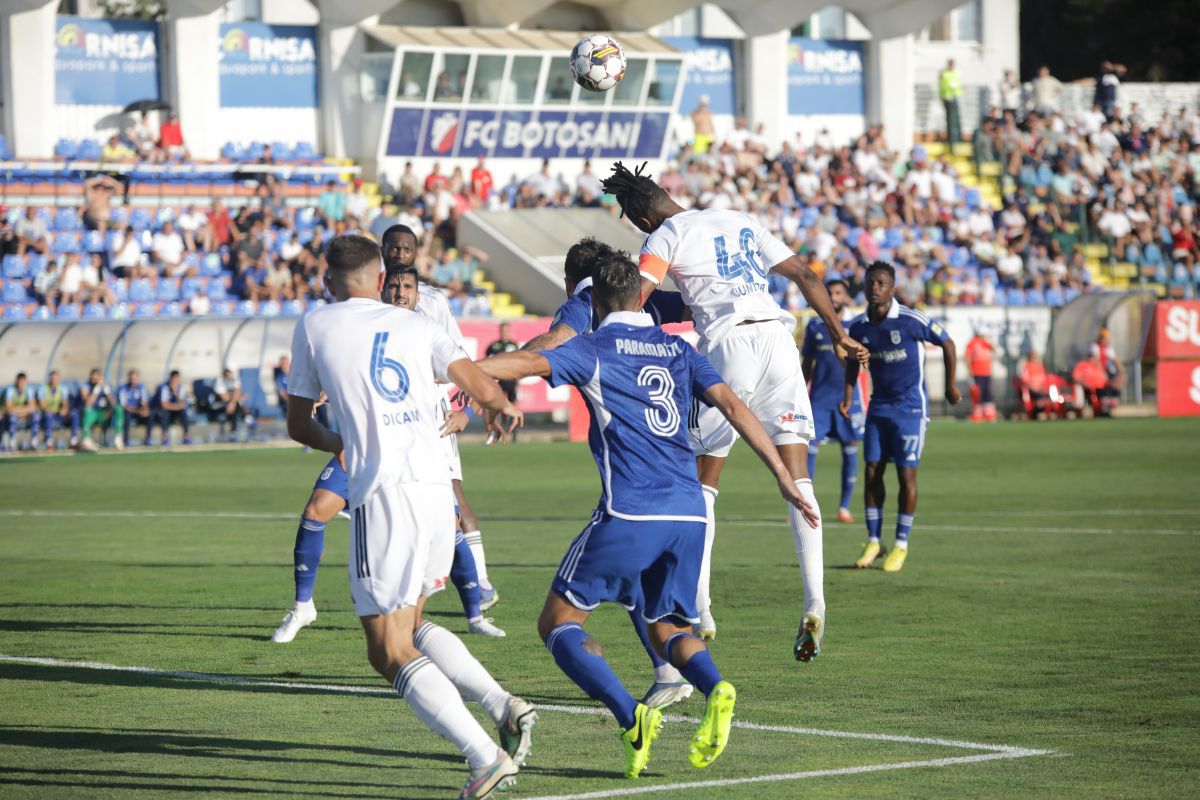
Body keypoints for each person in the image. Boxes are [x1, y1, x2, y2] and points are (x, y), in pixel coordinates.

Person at [478, 251, 815, 778]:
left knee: (558, 623)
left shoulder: (592, 347)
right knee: (664, 623)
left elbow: (524, 363)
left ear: (592, 302)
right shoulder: (679, 350)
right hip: (690, 513)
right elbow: (733, 405)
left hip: (630, 511)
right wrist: (782, 473)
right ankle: (714, 685)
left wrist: (456, 372)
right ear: (642, 296)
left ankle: (629, 715)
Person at [284, 234, 535, 799]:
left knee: (387, 647)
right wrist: (500, 406)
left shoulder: (315, 324)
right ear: (379, 281)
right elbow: (470, 375)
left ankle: (484, 757)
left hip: (386, 492)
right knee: (414, 623)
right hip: (434, 492)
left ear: (329, 282)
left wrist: (338, 442)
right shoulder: (419, 323)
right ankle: (503, 704)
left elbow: (300, 426)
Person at [601, 161, 869, 659]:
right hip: (778, 338)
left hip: (729, 346)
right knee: (798, 475)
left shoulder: (665, 236)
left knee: (702, 480)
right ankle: (816, 601)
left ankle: (701, 612)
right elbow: (806, 274)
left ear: (640, 219)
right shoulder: (739, 218)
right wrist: (839, 335)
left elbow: (638, 296)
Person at [520, 236, 699, 710]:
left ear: (572, 281)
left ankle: (647, 692)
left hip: (634, 470)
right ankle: (674, 672)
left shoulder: (583, 301)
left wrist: (491, 372)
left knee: (566, 612)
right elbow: (689, 302)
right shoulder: (644, 294)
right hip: (678, 439)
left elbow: (556, 343)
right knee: (642, 577)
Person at [383, 225, 502, 618]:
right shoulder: (370, 299)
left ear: (417, 254)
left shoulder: (431, 301)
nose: (400, 252)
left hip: (432, 413)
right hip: (386, 415)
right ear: (382, 250)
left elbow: (460, 359)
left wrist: (465, 409)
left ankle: (480, 583)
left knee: (451, 492)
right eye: (394, 246)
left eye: (407, 248)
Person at [842, 262, 961, 573]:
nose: (875, 288)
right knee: (872, 472)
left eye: (881, 283)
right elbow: (853, 361)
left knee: (906, 476)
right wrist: (847, 395)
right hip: (878, 407)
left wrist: (950, 386)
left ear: (892, 289)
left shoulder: (910, 320)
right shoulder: (859, 327)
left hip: (910, 410)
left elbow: (947, 342)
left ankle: (901, 544)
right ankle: (873, 540)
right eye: (870, 282)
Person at [801, 279, 865, 524]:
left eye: (838, 293)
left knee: (850, 451)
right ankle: (805, 505)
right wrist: (800, 392)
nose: (834, 297)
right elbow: (807, 363)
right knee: (807, 451)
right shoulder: (815, 326)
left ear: (847, 297)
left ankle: (844, 507)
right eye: (830, 293)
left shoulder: (856, 325)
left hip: (849, 399)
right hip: (819, 399)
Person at [79, 368, 120, 450]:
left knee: (118, 409)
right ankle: (85, 439)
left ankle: (118, 436)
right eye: (93, 377)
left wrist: (106, 390)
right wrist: (96, 389)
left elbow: (113, 403)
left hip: (104, 414)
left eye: (97, 378)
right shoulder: (85, 386)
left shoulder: (107, 386)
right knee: (87, 411)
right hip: (92, 413)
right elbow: (88, 404)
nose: (95, 379)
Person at [38, 370, 78, 450]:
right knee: (48, 415)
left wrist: (64, 409)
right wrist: (49, 410)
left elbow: (65, 403)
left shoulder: (62, 388)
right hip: (47, 415)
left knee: (74, 414)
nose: (54, 380)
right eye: (52, 378)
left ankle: (74, 441)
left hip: (58, 414)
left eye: (56, 378)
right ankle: (49, 442)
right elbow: (42, 405)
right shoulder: (43, 388)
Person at [3, 372, 41, 451]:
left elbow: (33, 407)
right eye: (19, 381)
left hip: (24, 415)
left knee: (36, 415)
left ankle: (34, 441)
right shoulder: (10, 390)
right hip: (12, 415)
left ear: (26, 381)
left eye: (23, 381)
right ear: (16, 381)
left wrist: (21, 412)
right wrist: (24, 409)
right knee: (12, 415)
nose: (21, 383)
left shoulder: (29, 390)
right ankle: (12, 441)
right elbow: (9, 407)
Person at [965, 331, 997, 423]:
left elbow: (994, 350)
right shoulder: (972, 343)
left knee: (988, 394)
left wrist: (988, 341)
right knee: (977, 394)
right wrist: (970, 371)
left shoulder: (986, 343)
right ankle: (977, 415)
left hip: (987, 373)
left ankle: (989, 414)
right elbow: (967, 357)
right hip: (976, 373)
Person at [152, 370, 190, 445]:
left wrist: (175, 393)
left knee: (184, 412)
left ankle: (186, 436)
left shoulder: (181, 387)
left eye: (177, 379)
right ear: (170, 379)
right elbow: (163, 405)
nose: (176, 382)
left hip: (175, 410)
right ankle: (164, 436)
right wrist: (176, 406)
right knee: (164, 413)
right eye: (174, 380)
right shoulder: (164, 387)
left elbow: (182, 403)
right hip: (166, 411)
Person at [485, 323, 519, 402]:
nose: (504, 332)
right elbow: (487, 361)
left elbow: (518, 364)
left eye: (506, 330)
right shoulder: (494, 345)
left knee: (512, 404)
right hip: (498, 380)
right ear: (500, 331)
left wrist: (518, 382)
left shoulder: (514, 346)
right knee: (496, 403)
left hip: (511, 380)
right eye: (503, 330)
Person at [214, 367, 251, 440]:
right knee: (235, 409)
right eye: (227, 373)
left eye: (230, 372)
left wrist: (232, 403)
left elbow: (237, 392)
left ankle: (233, 432)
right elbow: (224, 397)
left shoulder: (235, 379)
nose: (228, 375)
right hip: (221, 403)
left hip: (233, 403)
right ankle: (246, 417)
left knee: (234, 410)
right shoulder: (219, 381)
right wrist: (233, 400)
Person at [118, 369, 152, 446]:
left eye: (135, 378)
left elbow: (144, 402)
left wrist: (145, 410)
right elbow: (124, 406)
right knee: (126, 417)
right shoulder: (123, 389)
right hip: (129, 412)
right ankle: (126, 439)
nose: (133, 380)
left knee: (150, 415)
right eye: (132, 378)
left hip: (138, 412)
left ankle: (148, 438)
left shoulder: (141, 388)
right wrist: (137, 411)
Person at [939, 58, 963, 149]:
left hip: (955, 98)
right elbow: (942, 85)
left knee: (956, 120)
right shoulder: (944, 73)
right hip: (947, 99)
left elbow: (959, 86)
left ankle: (957, 139)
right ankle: (951, 141)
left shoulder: (957, 73)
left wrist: (957, 94)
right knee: (950, 121)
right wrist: (944, 97)